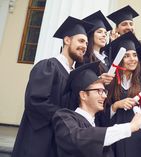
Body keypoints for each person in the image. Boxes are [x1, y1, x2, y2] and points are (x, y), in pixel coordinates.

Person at [11, 16, 94, 157]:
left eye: (86, 43)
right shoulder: (48, 66)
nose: (85, 46)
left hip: (59, 141)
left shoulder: (73, 75)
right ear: (67, 40)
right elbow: (35, 101)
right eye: (80, 41)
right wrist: (67, 119)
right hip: (40, 140)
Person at [52, 61, 141, 157]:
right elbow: (78, 138)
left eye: (104, 91)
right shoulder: (64, 117)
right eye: (99, 91)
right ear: (83, 95)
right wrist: (130, 127)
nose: (104, 96)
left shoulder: (98, 124)